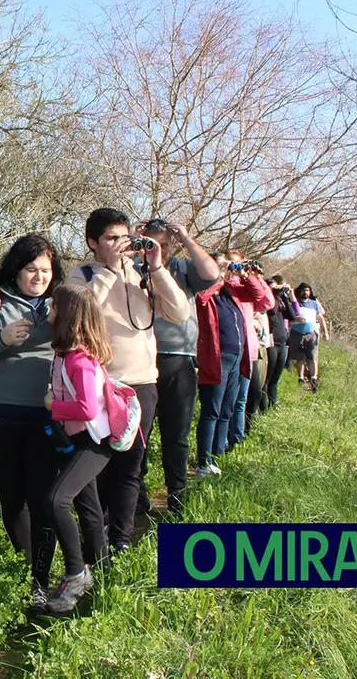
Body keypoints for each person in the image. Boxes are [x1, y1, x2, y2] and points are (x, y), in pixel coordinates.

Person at [68, 207, 190, 553]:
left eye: (125, 237)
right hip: (98, 386)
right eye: (111, 238)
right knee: (96, 467)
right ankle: (94, 538)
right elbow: (81, 312)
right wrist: (110, 272)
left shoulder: (142, 274)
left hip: (141, 385)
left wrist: (155, 266)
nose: (121, 244)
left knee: (130, 465)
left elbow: (180, 312)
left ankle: (120, 539)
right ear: (93, 242)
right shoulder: (82, 276)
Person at [0, 233, 80, 611]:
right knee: (13, 502)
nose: (39, 276)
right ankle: (26, 575)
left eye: (46, 270)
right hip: (1, 416)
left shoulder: (63, 304)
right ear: (16, 270)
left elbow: (86, 345)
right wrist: (0, 339)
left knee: (43, 500)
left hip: (48, 418)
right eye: (31, 269)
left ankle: (41, 577)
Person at [38, 283, 132, 614]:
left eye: (53, 307)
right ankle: (102, 570)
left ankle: (77, 573)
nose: (49, 312)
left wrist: (53, 405)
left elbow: (87, 409)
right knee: (88, 504)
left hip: (94, 442)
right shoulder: (67, 354)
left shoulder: (80, 361)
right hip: (83, 440)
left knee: (56, 499)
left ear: (68, 316)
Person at [137, 218, 219, 517]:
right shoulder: (130, 270)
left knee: (177, 434)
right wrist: (130, 246)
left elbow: (212, 273)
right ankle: (138, 496)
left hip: (178, 360)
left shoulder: (183, 270)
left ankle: (176, 496)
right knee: (137, 435)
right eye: (149, 241)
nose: (156, 248)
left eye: (163, 243)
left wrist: (185, 236)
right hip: (139, 359)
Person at [193, 252, 274, 475]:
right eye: (220, 265)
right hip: (215, 359)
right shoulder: (205, 290)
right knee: (212, 410)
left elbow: (264, 300)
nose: (225, 269)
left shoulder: (233, 291)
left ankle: (218, 456)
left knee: (227, 410)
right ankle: (204, 461)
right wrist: (216, 273)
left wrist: (244, 274)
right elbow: (201, 298)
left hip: (238, 358)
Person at [223, 252, 275, 449]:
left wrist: (251, 276)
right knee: (227, 401)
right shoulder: (227, 287)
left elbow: (267, 302)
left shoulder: (246, 286)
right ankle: (223, 442)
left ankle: (237, 440)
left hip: (249, 350)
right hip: (229, 351)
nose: (236, 268)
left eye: (239, 264)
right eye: (233, 264)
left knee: (242, 399)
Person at [262, 275, 299, 409]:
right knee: (266, 378)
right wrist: (275, 293)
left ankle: (274, 402)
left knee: (275, 379)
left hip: (282, 344)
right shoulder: (268, 301)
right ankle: (263, 407)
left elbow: (292, 315)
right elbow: (271, 309)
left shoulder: (280, 300)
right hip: (271, 343)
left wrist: (284, 296)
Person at [290, 282, 329, 391]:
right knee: (299, 357)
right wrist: (295, 319)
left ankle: (313, 378)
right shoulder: (294, 303)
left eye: (307, 290)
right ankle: (301, 378)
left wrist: (325, 332)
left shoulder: (314, 304)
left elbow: (321, 318)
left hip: (311, 333)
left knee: (312, 356)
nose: (305, 292)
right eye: (303, 290)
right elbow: (287, 318)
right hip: (296, 333)